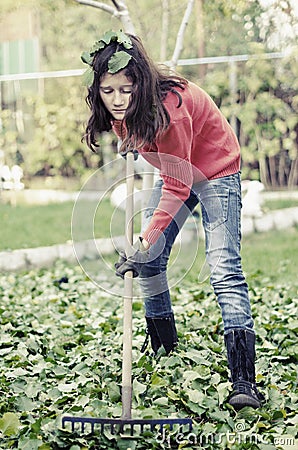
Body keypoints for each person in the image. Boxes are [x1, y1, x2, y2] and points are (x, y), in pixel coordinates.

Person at [82, 30, 264, 410]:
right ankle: (165, 356)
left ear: (142, 83)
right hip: (178, 173)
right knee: (149, 263)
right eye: (108, 90)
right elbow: (159, 156)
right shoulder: (122, 111)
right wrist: (135, 141)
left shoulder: (171, 109)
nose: (117, 99)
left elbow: (179, 187)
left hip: (215, 172)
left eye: (126, 90)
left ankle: (244, 382)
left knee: (223, 269)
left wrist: (146, 239)